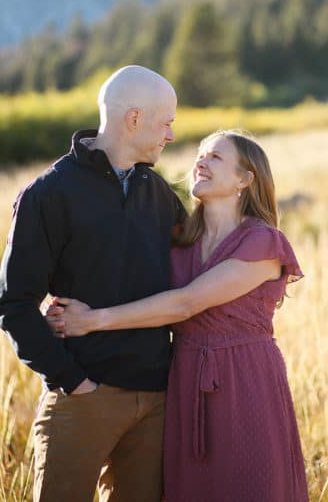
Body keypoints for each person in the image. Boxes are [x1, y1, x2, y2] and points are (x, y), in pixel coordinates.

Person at [45, 129, 308, 502]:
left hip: (245, 378)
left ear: (244, 179)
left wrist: (92, 319)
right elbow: (125, 272)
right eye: (200, 153)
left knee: (250, 485)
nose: (201, 160)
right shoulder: (181, 238)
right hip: (184, 380)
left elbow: (184, 303)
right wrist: (60, 297)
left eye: (215, 157)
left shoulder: (262, 242)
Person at [0, 65, 185, 501]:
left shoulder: (159, 194)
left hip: (157, 400)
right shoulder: (49, 194)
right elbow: (12, 305)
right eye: (166, 122)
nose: (170, 135)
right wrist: (72, 382)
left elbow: (193, 276)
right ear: (133, 119)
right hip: (83, 399)